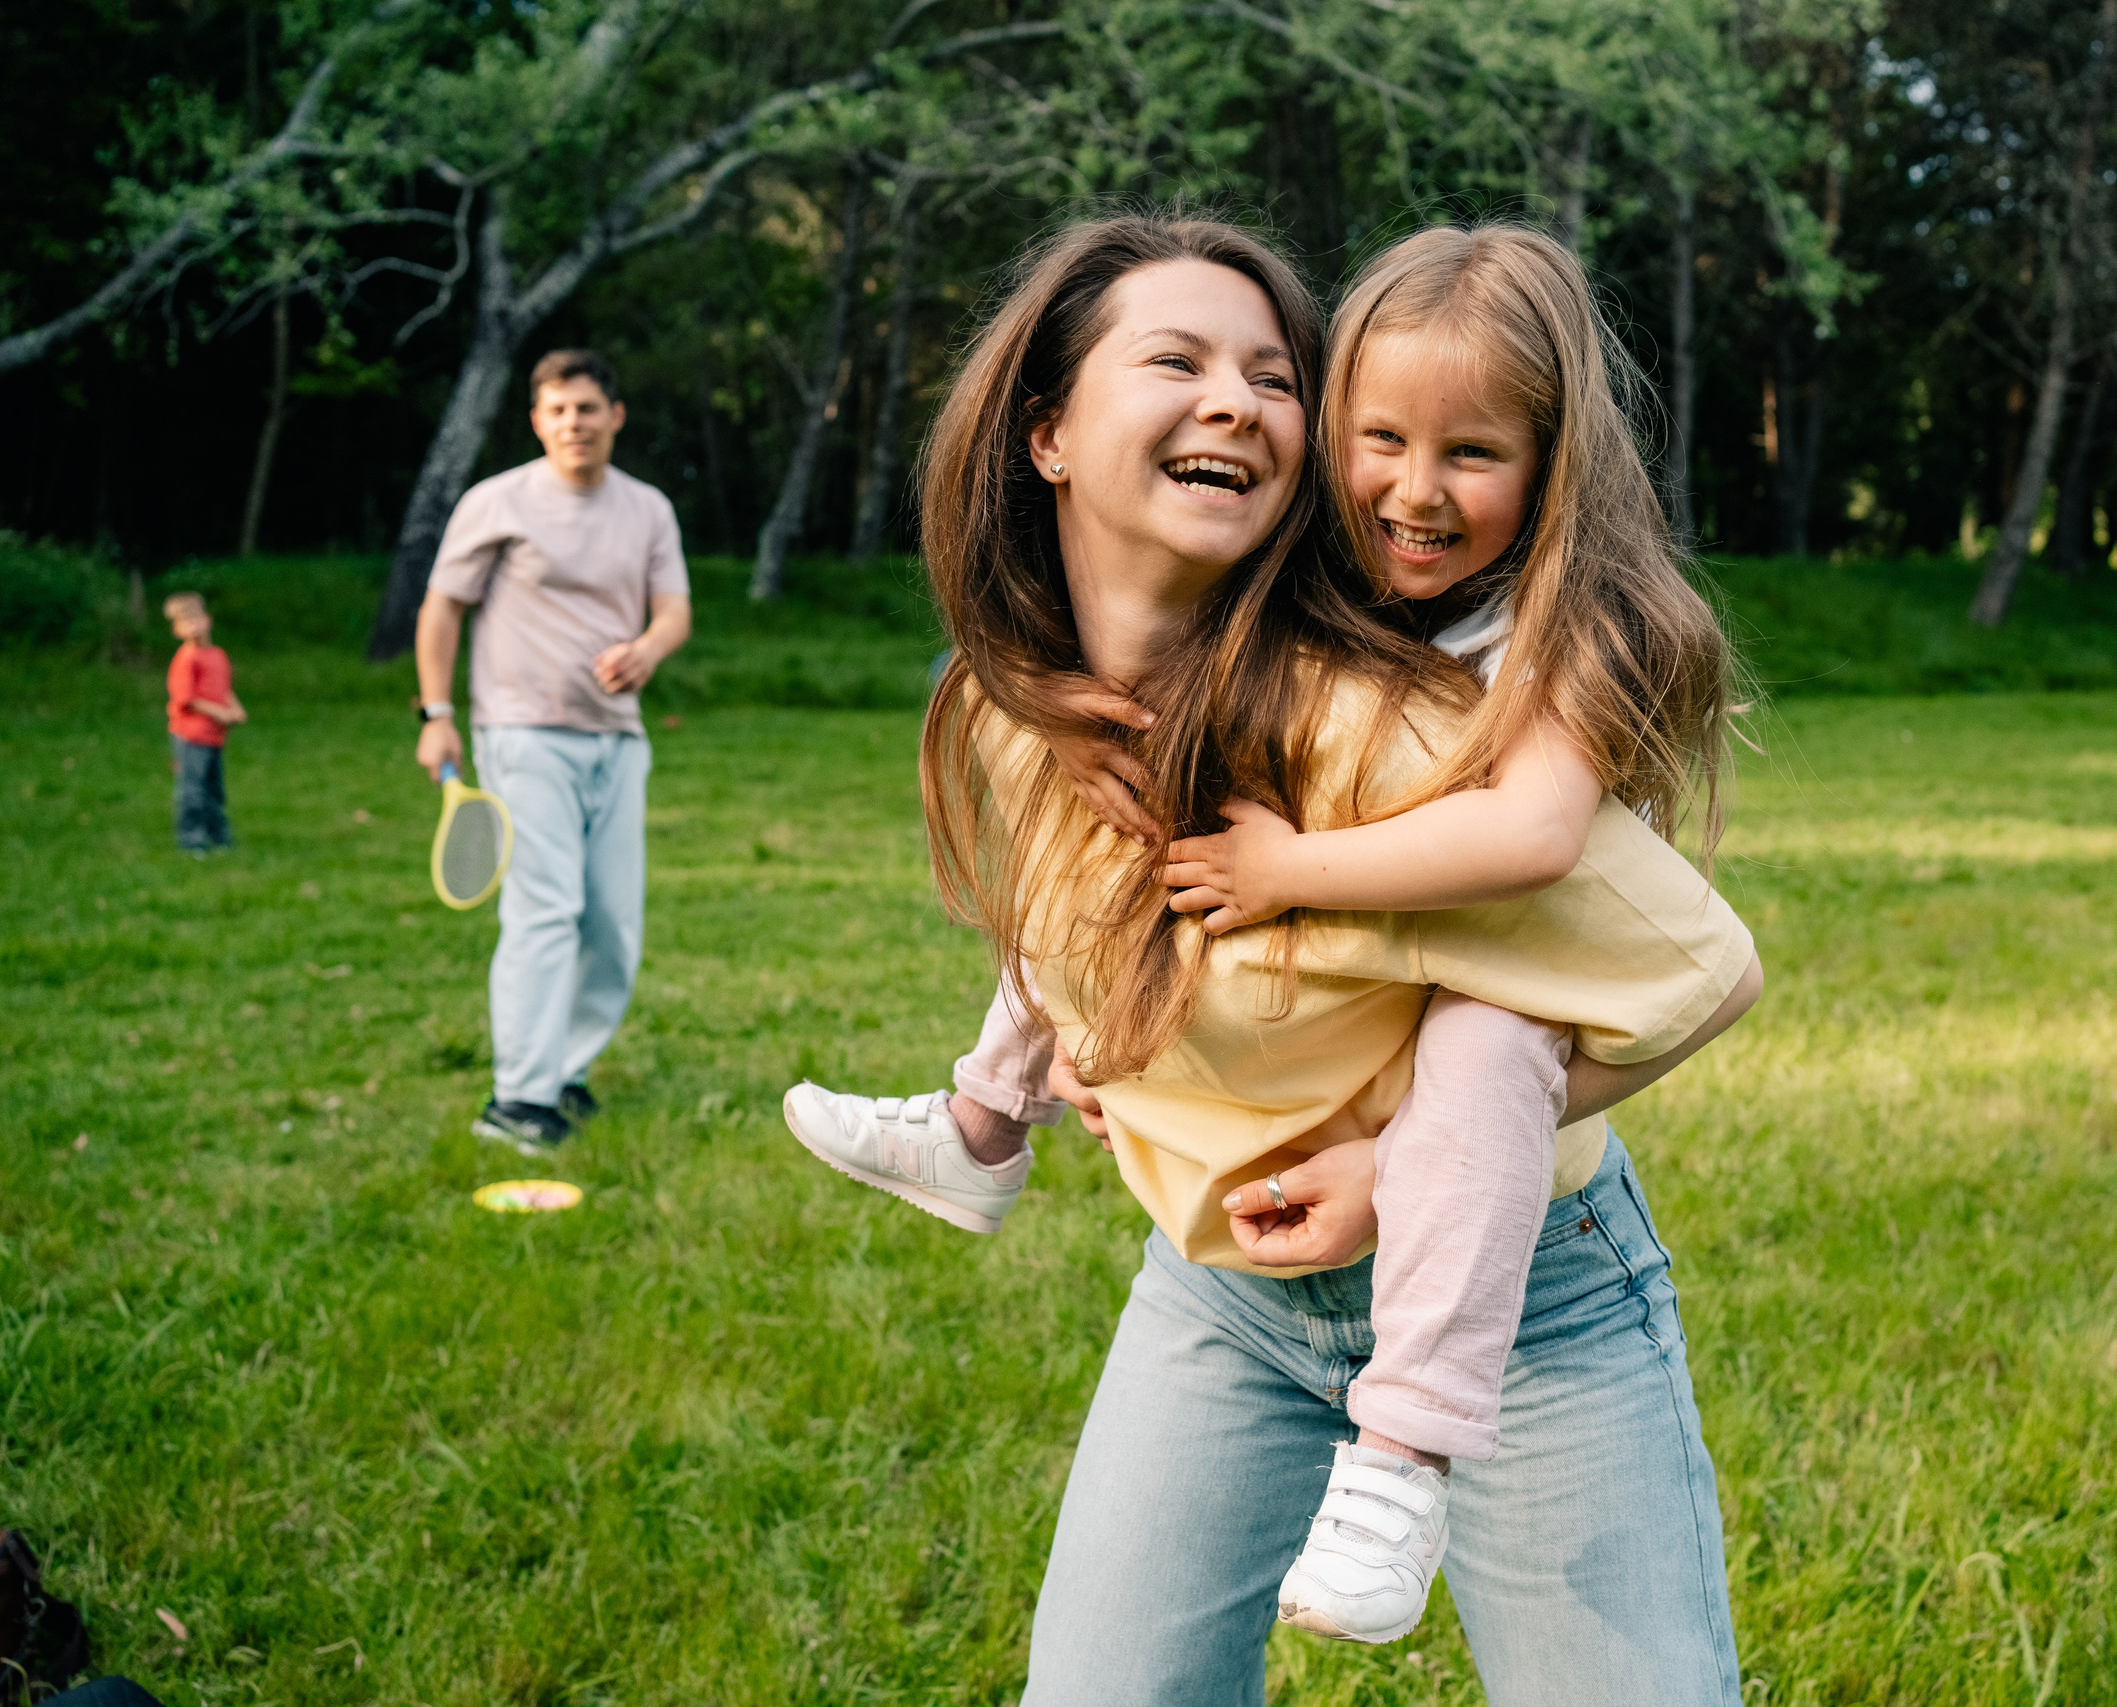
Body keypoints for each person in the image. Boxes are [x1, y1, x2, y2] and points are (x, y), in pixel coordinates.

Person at [820, 214, 1760, 1704]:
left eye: (1272, 374)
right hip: (1224, 1299)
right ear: (1048, 431)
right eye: (1179, 359)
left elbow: (1702, 965)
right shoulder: (1014, 705)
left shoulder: (1380, 725)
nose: (1239, 401)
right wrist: (1097, 1042)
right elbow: (1092, 953)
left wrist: (1396, 1166)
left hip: (1524, 1305)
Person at [412, 348, 692, 1155]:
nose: (574, 422)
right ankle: (516, 1098)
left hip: (618, 739)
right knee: (544, 910)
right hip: (522, 734)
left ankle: (561, 1069)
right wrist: (435, 712)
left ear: (615, 416)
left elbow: (673, 610)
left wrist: (647, 649)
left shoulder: (647, 510)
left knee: (611, 925)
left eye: (588, 408)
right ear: (538, 420)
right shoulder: (496, 502)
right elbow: (440, 610)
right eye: (558, 410)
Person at [162, 591, 245, 854]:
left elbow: (222, 689)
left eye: (196, 619)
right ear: (176, 629)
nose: (193, 626)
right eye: (185, 622)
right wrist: (218, 713)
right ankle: (192, 842)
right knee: (192, 793)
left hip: (213, 736)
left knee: (214, 792)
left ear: (207, 620)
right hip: (190, 736)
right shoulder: (186, 660)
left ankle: (220, 839)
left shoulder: (217, 655)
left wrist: (234, 708)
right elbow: (186, 699)